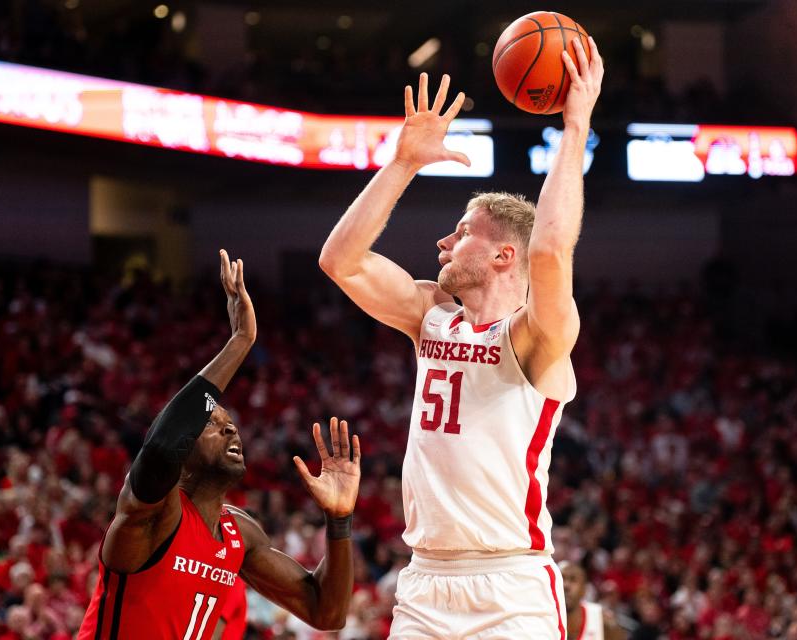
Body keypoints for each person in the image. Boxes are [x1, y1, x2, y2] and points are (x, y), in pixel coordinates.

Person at [319, 37, 604, 637]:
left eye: (462, 231)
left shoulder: (536, 338)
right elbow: (341, 261)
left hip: (511, 585)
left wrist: (574, 125)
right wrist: (402, 164)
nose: (444, 243)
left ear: (504, 255)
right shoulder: (430, 317)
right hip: (424, 580)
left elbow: (551, 249)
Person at [77, 250, 361, 639]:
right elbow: (160, 448)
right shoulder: (156, 512)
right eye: (213, 424)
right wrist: (241, 341)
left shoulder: (239, 533)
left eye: (232, 425)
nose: (231, 431)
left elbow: (326, 612)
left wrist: (339, 519)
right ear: (185, 450)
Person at [560, 562, 625, 640]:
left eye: (573, 580)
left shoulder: (603, 621)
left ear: (584, 590)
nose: (566, 585)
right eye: (561, 578)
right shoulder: (543, 616)